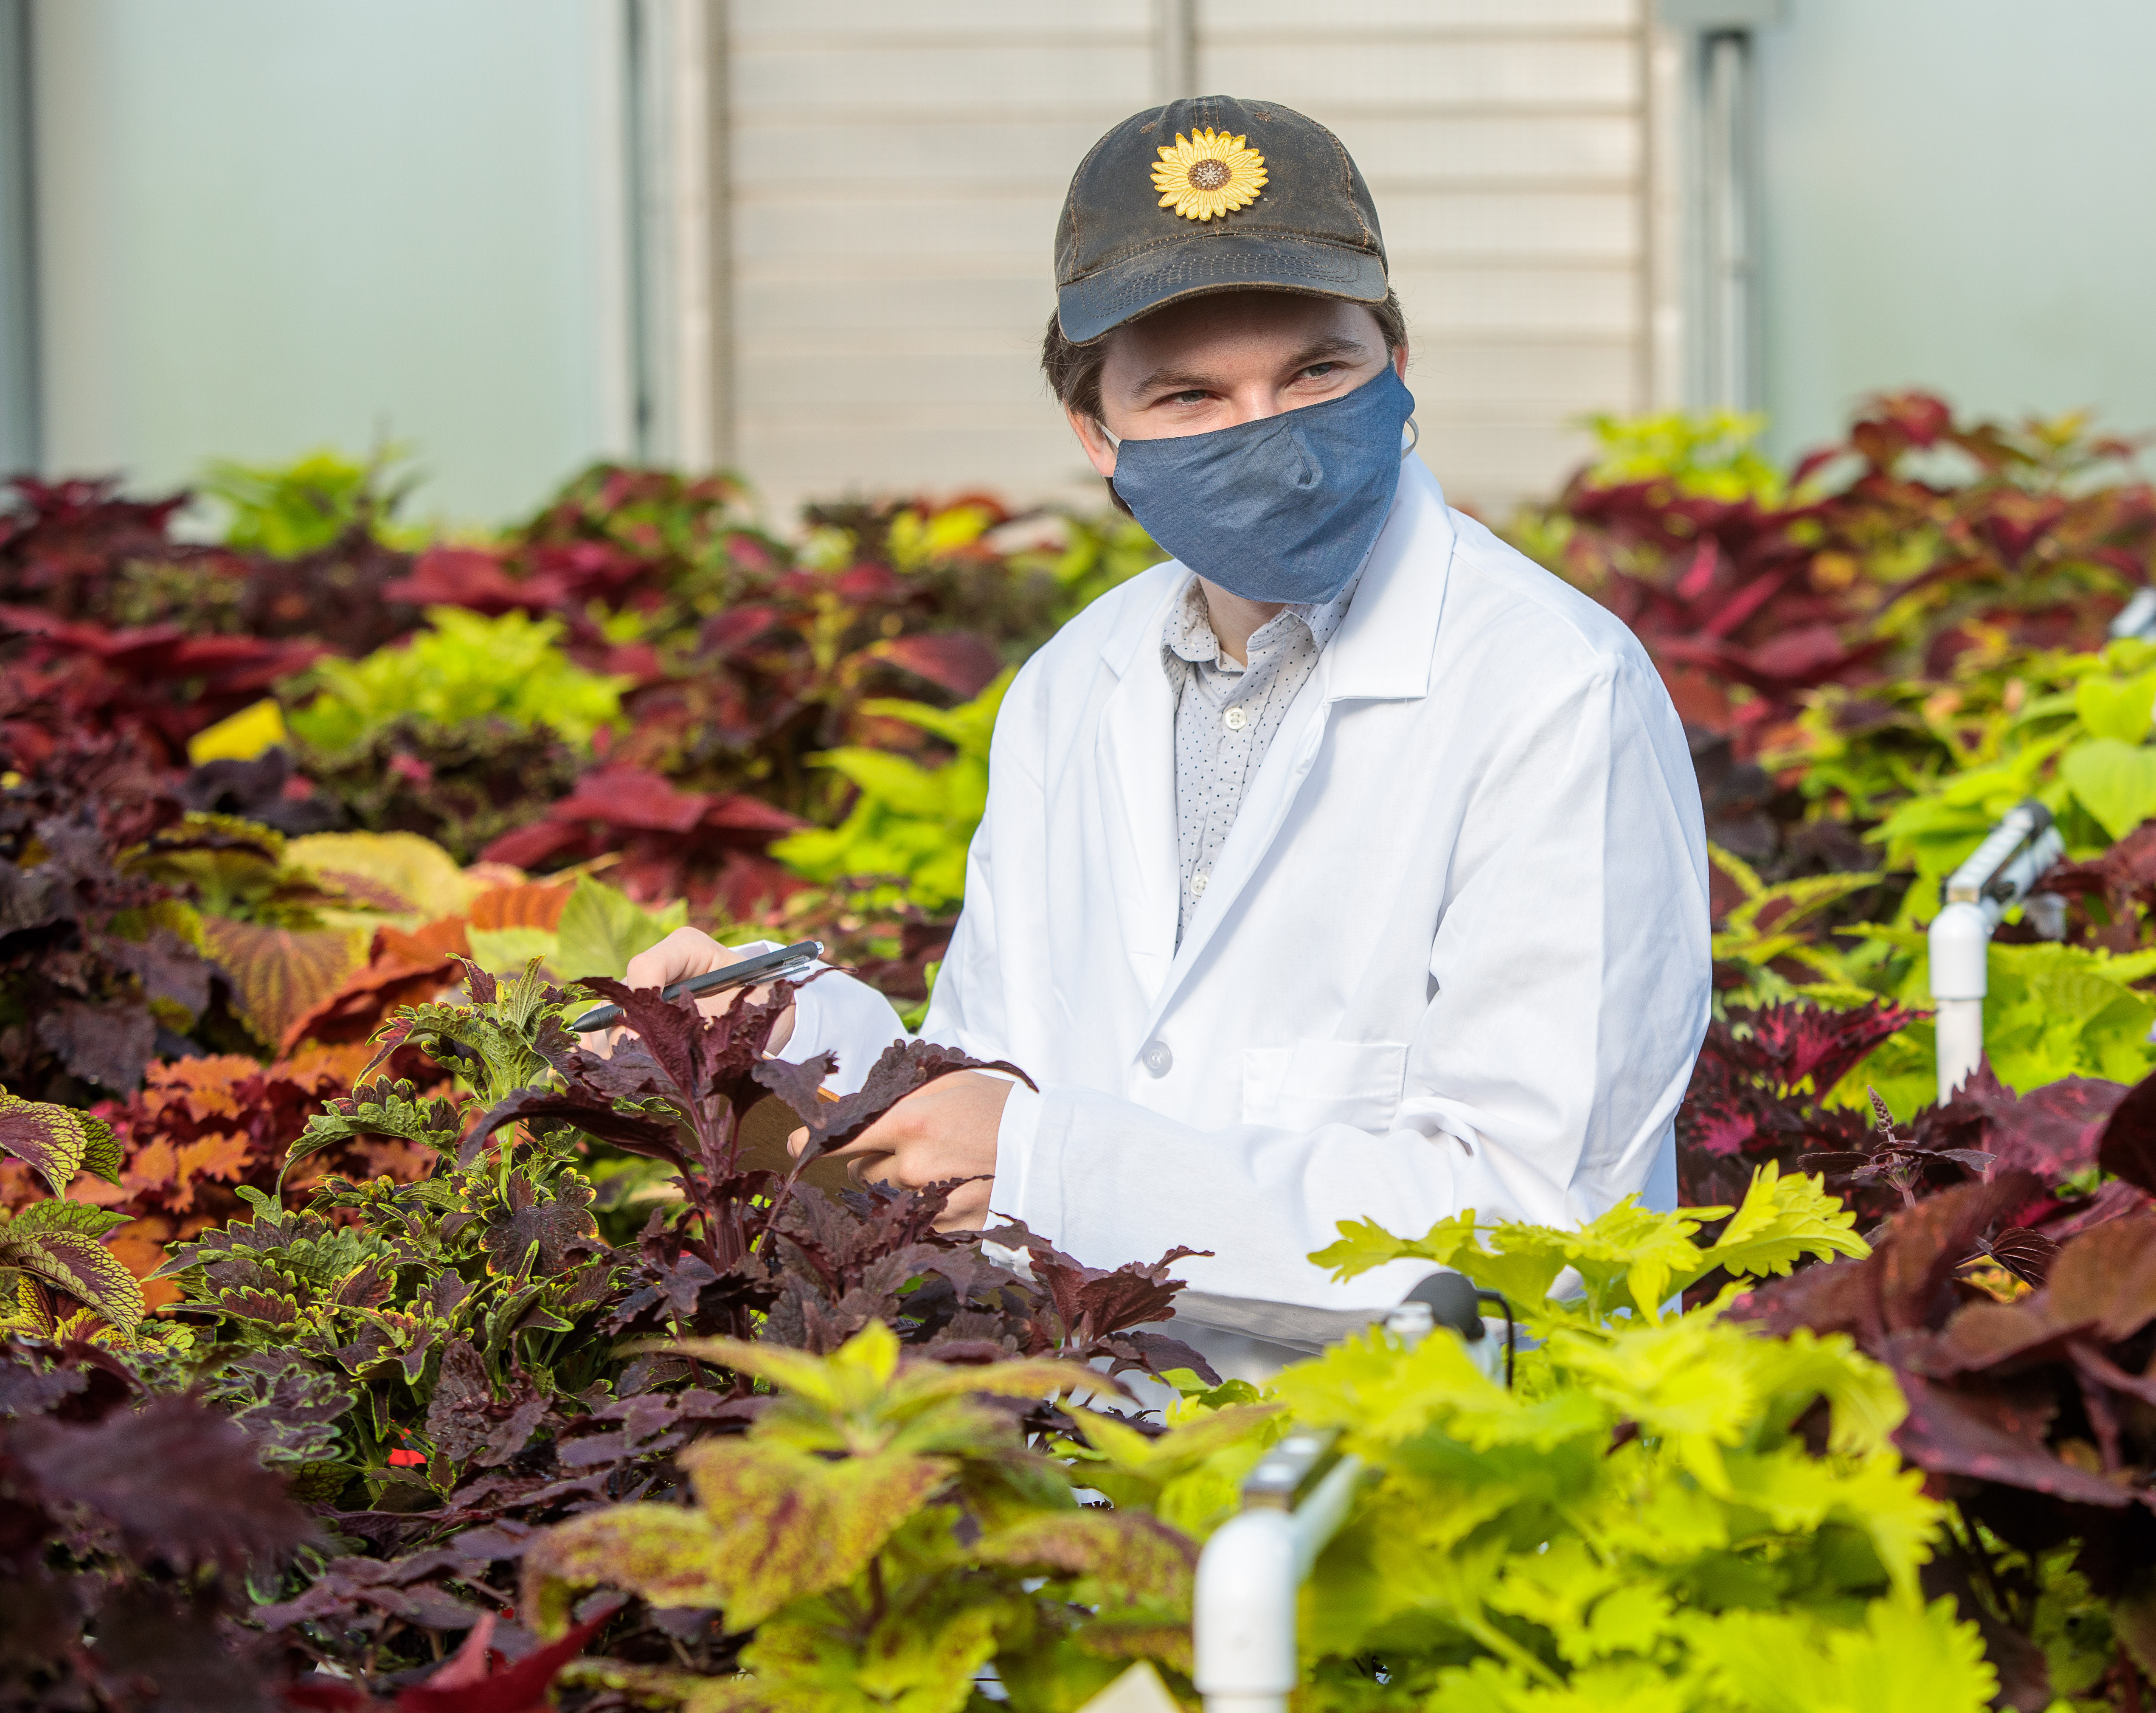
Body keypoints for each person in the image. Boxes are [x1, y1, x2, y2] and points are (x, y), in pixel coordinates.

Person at [626, 96, 1710, 1372]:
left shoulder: (1552, 688)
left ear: (1399, 365)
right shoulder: (1073, 687)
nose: (1266, 432)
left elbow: (1543, 1215)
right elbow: (1000, 1073)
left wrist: (1053, 1167)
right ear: (1097, 435)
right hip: (1102, 1466)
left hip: (1418, 1478)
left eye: (1316, 372)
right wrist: (794, 1046)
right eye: (1190, 397)